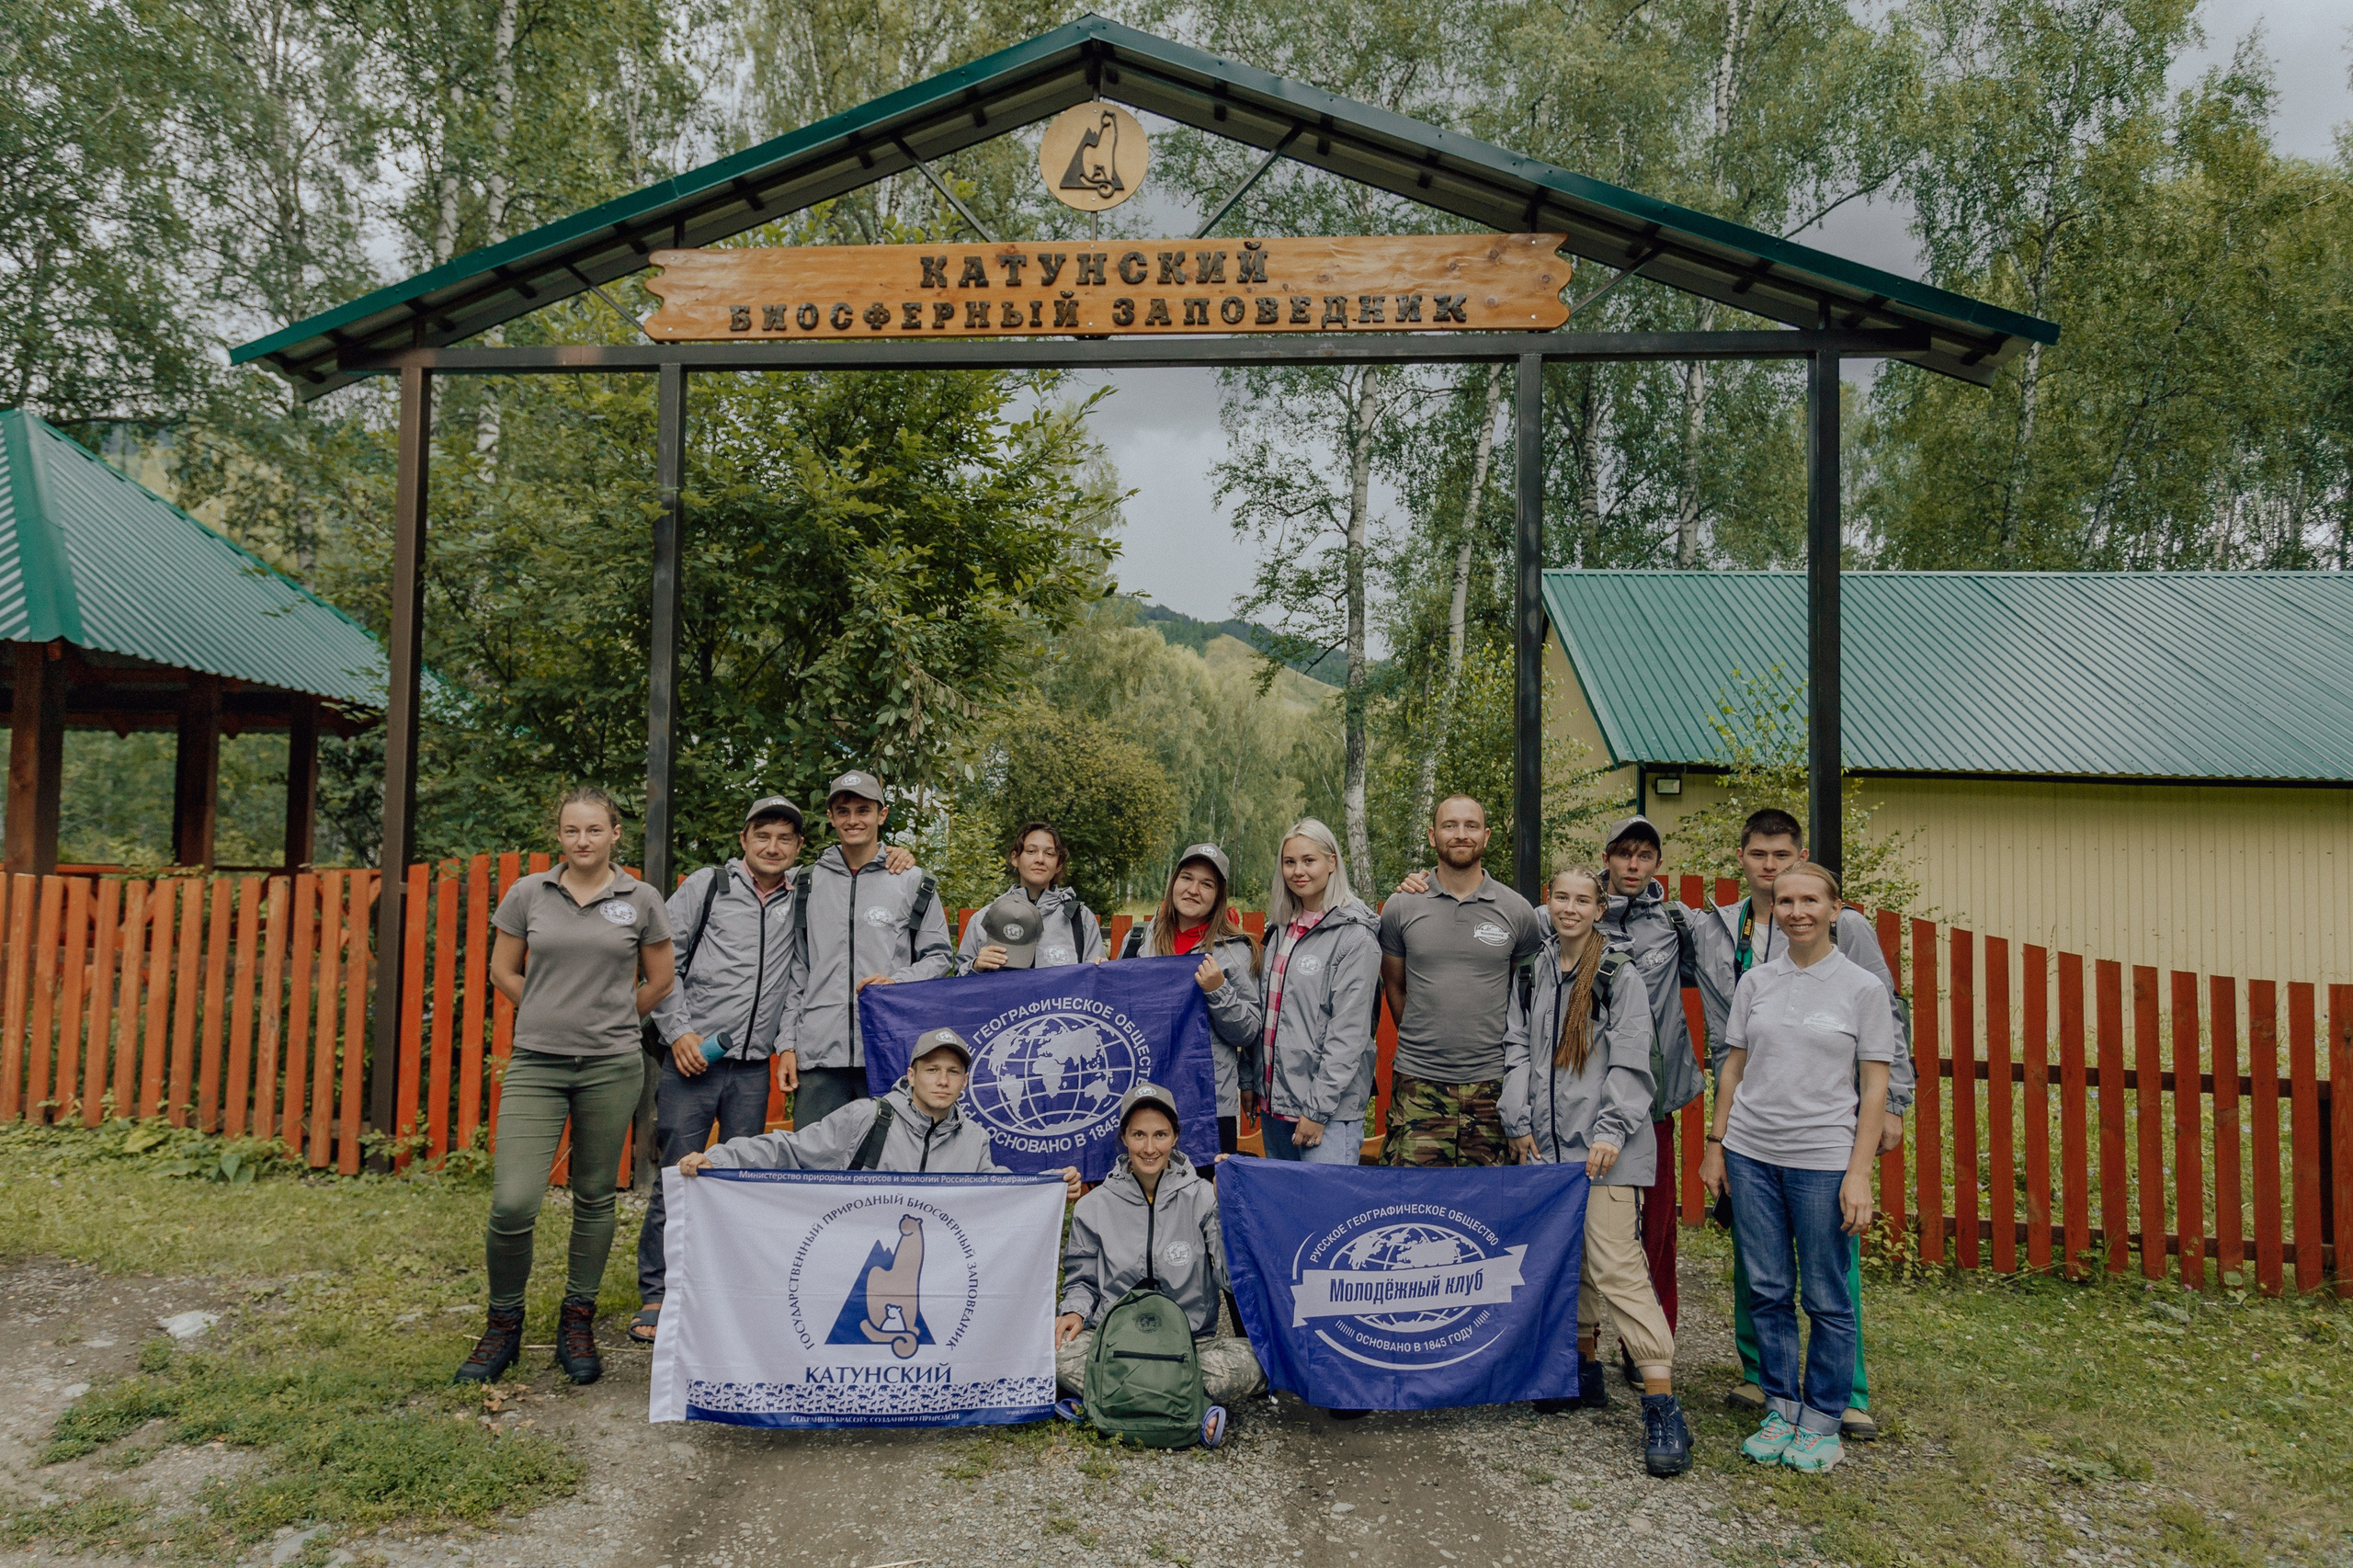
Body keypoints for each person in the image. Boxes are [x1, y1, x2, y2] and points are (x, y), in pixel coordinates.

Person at [631, 796, 913, 1345]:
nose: (773, 847)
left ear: (800, 847)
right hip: (695, 1056)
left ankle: (725, 1286)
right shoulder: (707, 887)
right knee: (678, 1173)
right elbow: (662, 964)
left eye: (785, 839)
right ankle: (658, 1291)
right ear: (744, 838)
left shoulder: (801, 892)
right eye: (763, 836)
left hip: (755, 1066)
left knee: (741, 1178)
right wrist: (678, 1032)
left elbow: (800, 977)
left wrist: (896, 854)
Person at [1690, 806, 1914, 1440]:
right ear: (1743, 859)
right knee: (1758, 1268)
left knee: (1829, 1272)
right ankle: (1766, 1381)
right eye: (1760, 857)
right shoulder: (1720, 929)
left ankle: (1845, 1395)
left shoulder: (1852, 934)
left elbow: (1886, 1017)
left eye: (1783, 857)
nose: (1772, 869)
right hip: (1752, 1123)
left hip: (1823, 1124)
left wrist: (1894, 1099)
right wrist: (1719, 1138)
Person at [455, 787, 676, 1388]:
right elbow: (503, 969)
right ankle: (503, 1324)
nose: (583, 840)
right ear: (559, 835)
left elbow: (661, 978)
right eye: (571, 830)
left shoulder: (641, 899)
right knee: (513, 1202)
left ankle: (576, 1319)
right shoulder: (530, 894)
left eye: (594, 830)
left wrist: (617, 1015)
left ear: (614, 834)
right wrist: (548, 1007)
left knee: (595, 1197)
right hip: (538, 1066)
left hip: (611, 1065)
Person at [1503, 865, 1690, 1477]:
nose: (1571, 908)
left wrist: (1611, 1130)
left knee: (1616, 1265)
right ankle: (1580, 1367)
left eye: (1583, 899)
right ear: (1548, 902)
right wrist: (1518, 1118)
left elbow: (1632, 1061)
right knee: (1568, 1260)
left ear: (1598, 906)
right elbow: (1518, 1049)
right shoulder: (1534, 972)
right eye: (1561, 897)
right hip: (1549, 1147)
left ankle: (1662, 1402)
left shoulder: (1618, 973)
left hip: (1607, 1146)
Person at [1055, 1084, 1265, 1427]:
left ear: (1175, 1136)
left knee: (1260, 1360)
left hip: (1188, 1346)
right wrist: (1075, 1311)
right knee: (1053, 1350)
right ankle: (1188, 1408)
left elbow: (1231, 1278)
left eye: (1160, 1135)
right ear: (1123, 1137)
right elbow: (1081, 1279)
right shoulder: (1094, 1205)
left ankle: (1106, 1404)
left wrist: (1232, 1212)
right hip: (1115, 1345)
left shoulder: (1203, 1197)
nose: (1149, 1148)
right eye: (1138, 1135)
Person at [677, 1027, 1082, 1199]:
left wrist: (1047, 1186)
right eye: (932, 1070)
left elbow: (996, 1191)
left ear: (964, 1082)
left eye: (953, 1072)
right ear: (911, 1074)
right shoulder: (867, 1117)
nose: (942, 1081)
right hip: (861, 1249)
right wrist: (715, 1158)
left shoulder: (974, 1138)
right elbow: (791, 1150)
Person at [1378, 795, 1547, 1166]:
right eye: (1449, 826)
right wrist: (1428, 1038)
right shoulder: (1401, 907)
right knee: (1415, 1203)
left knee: (1488, 1210)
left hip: (1493, 1084)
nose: (1461, 835)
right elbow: (1395, 986)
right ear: (1432, 836)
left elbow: (1526, 998)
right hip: (1418, 1082)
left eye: (1471, 826)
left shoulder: (1517, 912)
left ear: (1486, 837)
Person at [780, 769, 954, 1129]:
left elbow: (939, 957)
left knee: (884, 1165)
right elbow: (797, 968)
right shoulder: (806, 881)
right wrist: (787, 1044)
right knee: (815, 1167)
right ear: (830, 817)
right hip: (819, 1052)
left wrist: (897, 980)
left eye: (863, 810)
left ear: (882, 814)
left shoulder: (912, 881)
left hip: (886, 1047)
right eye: (843, 811)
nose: (853, 819)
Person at [1233, 819, 1381, 1166]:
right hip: (1275, 1106)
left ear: (1332, 862)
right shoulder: (1280, 931)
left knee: (1328, 1214)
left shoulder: (1354, 937)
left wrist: (1317, 1110)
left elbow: (1348, 1035)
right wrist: (1250, 1079)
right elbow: (1265, 1012)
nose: (1298, 871)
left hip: (1325, 1113)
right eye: (1289, 862)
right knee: (1287, 1214)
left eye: (1309, 861)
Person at [1118, 843, 1262, 1157]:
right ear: (1173, 883)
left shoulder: (1236, 951)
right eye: (1187, 878)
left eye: (1207, 884)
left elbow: (1248, 1031)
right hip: (1146, 1095)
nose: (1194, 890)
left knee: (1204, 1198)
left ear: (1219, 895)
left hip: (1208, 1103)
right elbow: (1119, 1018)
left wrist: (1218, 990)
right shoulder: (1139, 942)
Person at [957, 821, 1106, 972]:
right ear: (1015, 858)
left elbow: (1092, 988)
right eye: (1031, 851)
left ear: (1059, 864)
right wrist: (975, 966)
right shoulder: (986, 917)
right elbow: (959, 985)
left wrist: (1102, 972)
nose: (1040, 859)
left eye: (1049, 853)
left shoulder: (1080, 919)